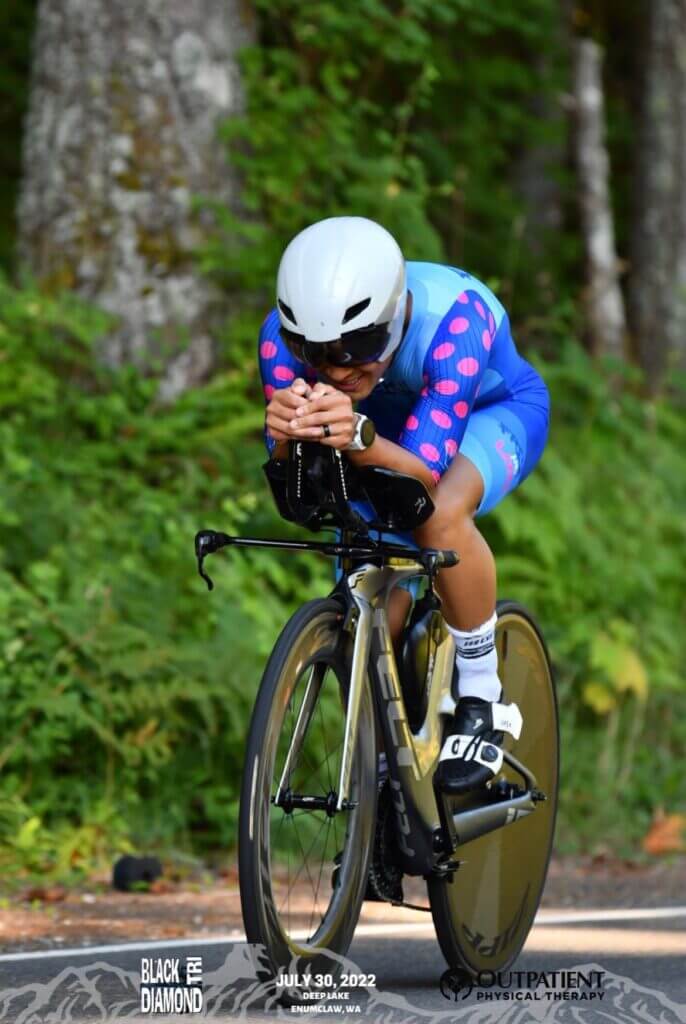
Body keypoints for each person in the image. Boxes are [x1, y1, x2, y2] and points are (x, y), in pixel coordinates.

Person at [258, 216, 549, 795]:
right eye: (316, 354)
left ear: (393, 318)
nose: (338, 369)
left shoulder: (457, 322)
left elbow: (423, 472)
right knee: (369, 597)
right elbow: (301, 489)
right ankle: (386, 765)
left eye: (358, 346)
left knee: (437, 514)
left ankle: (482, 694)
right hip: (377, 428)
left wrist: (355, 434)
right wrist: (287, 439)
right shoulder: (278, 338)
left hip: (489, 413)